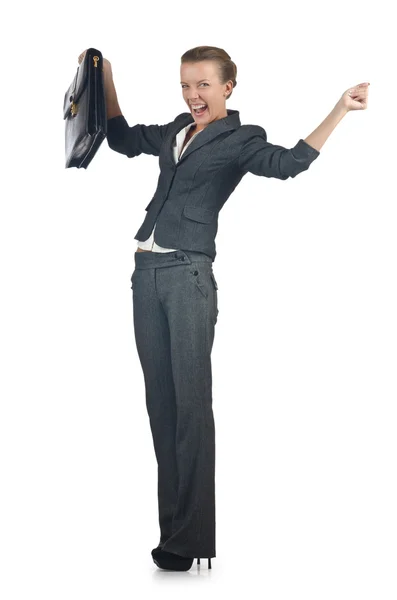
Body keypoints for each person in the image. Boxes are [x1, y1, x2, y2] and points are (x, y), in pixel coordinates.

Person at [77, 46, 369, 571]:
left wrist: (340, 109)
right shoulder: (173, 131)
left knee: (191, 410)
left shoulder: (241, 139)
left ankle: (188, 542)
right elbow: (118, 138)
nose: (193, 96)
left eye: (203, 86)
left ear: (229, 87)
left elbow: (289, 164)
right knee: (161, 410)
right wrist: (103, 79)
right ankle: (174, 536)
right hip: (145, 276)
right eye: (186, 86)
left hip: (189, 277)